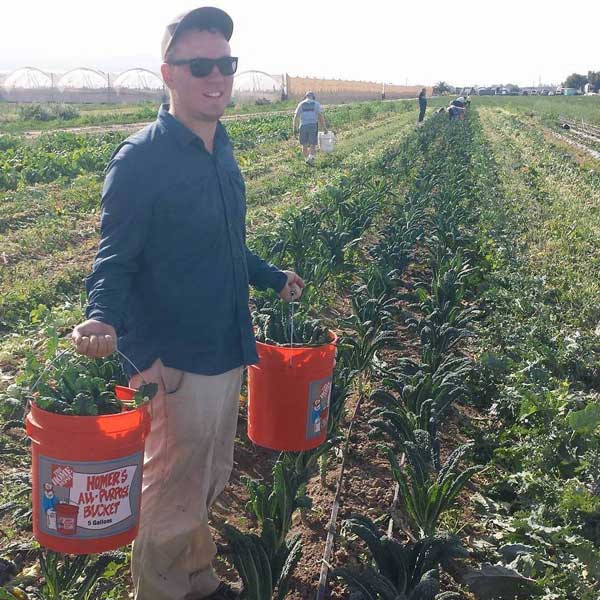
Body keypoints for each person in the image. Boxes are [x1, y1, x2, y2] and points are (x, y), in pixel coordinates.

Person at [70, 7, 304, 600]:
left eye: (226, 64)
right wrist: (101, 315)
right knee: (172, 488)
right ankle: (162, 591)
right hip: (174, 359)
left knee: (207, 477)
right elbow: (115, 256)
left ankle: (197, 580)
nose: (216, 76)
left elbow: (229, 246)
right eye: (200, 64)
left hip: (224, 344)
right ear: (168, 74)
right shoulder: (142, 159)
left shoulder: (222, 150)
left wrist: (271, 277)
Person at [293, 91, 328, 165]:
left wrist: (294, 128)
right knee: (312, 144)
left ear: (305, 96)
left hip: (303, 126)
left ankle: (307, 159)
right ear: (313, 97)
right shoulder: (316, 104)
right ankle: (310, 158)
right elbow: (320, 116)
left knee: (304, 144)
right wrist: (324, 127)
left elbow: (296, 117)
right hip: (313, 125)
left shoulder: (301, 104)